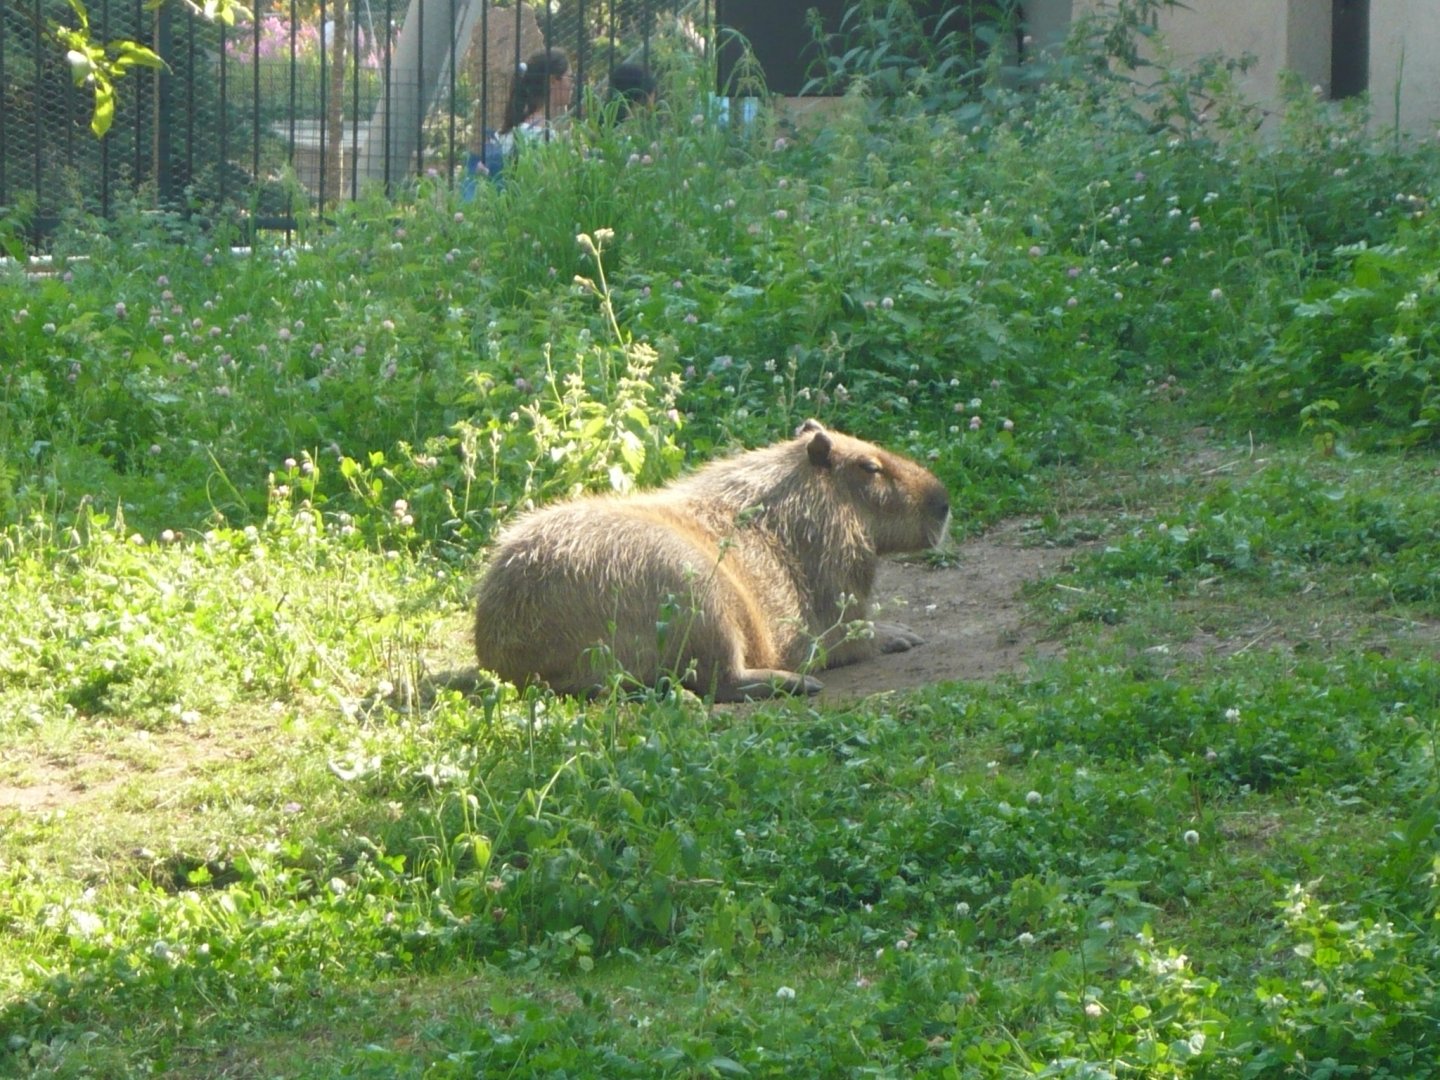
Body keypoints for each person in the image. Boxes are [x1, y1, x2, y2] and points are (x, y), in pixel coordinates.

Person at [464, 47, 573, 194]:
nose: (572, 84)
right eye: (569, 77)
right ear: (553, 80)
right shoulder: (547, 137)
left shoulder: (505, 134)